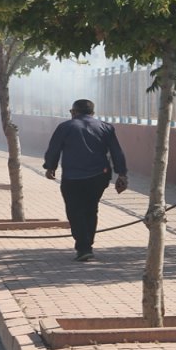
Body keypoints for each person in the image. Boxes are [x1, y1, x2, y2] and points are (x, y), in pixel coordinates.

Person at [44, 99, 128, 262]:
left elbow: (54, 149)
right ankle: (87, 244)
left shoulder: (65, 127)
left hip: (72, 178)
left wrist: (50, 167)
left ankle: (83, 247)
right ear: (92, 113)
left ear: (74, 112)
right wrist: (122, 174)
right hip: (99, 176)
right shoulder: (105, 127)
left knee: (75, 211)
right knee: (91, 208)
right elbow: (117, 152)